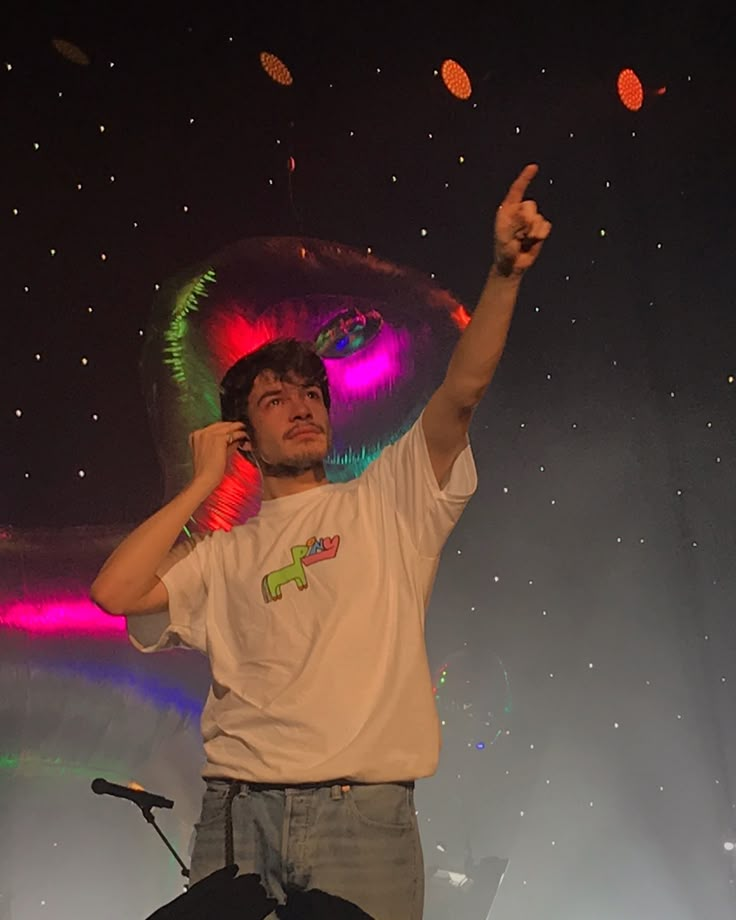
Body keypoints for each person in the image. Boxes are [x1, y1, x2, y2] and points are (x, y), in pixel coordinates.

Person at [91, 164, 551, 920]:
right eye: (275, 400)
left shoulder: (388, 500)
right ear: (243, 435)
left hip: (358, 821)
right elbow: (114, 593)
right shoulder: (221, 555)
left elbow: (461, 393)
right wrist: (201, 484)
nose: (301, 407)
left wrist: (503, 275)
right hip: (235, 815)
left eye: (312, 394)